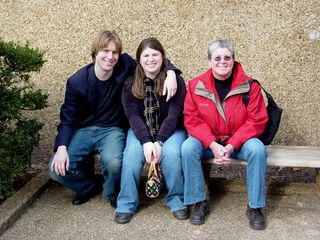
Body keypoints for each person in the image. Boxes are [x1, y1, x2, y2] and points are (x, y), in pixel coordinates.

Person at [48, 30, 180, 208]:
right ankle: (88, 187)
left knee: (114, 163)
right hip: (84, 129)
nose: (110, 57)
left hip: (112, 128)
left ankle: (111, 194)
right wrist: (62, 147)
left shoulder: (124, 64)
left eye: (114, 52)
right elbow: (68, 118)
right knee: (55, 169)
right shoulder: (76, 82)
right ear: (95, 53)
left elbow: (151, 61)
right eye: (105, 51)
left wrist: (171, 73)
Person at [182, 39, 268, 229]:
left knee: (258, 149)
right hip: (209, 143)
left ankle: (255, 207)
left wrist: (231, 145)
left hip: (239, 143)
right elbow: (191, 119)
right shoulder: (196, 85)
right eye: (217, 58)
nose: (222, 62)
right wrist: (212, 144)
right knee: (188, 147)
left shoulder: (250, 86)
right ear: (209, 62)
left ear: (233, 60)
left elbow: (257, 120)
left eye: (227, 57)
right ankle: (199, 202)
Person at [115, 37, 187, 224]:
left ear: (163, 57)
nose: (151, 59)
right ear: (139, 59)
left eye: (155, 54)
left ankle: (176, 200)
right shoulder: (130, 84)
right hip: (141, 130)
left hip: (171, 130)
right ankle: (126, 203)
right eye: (146, 55)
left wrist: (159, 141)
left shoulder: (175, 81)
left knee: (171, 154)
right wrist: (147, 142)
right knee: (131, 154)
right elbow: (133, 117)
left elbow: (174, 115)